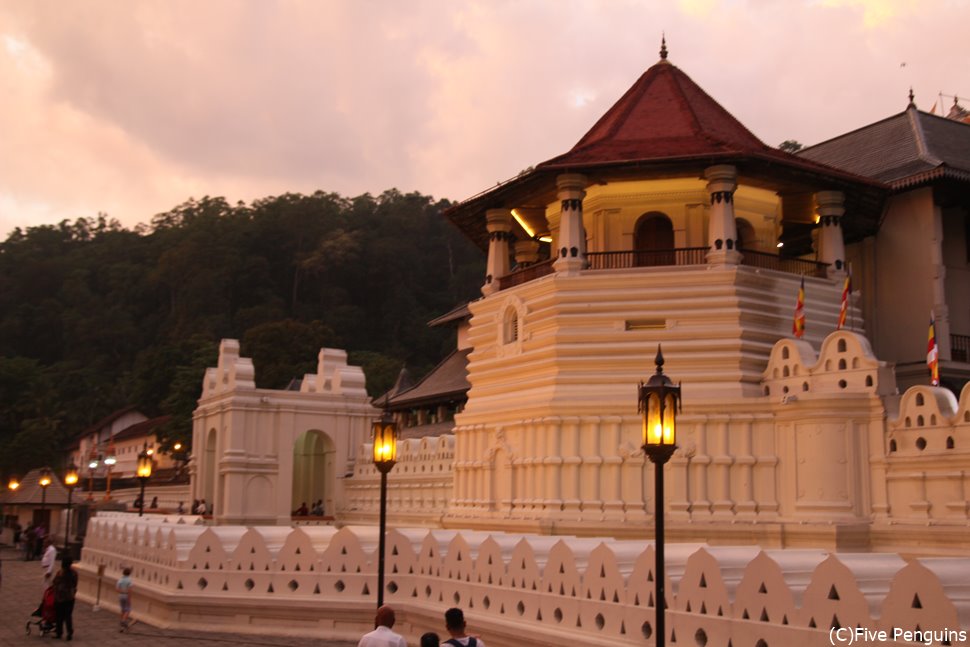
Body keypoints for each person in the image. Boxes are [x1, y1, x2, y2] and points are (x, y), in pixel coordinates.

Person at [52, 556, 77, 640]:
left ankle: (59, 632)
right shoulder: (74, 573)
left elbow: (55, 582)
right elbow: (75, 584)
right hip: (70, 597)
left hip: (60, 597)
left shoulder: (60, 573)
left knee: (59, 616)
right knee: (68, 616)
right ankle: (69, 633)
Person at [117, 566, 133, 631]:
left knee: (122, 609)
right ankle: (123, 621)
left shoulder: (120, 580)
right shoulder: (129, 580)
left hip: (120, 596)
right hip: (126, 596)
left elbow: (117, 589)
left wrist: (122, 592)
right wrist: (129, 598)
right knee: (128, 610)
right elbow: (129, 590)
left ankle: (121, 624)